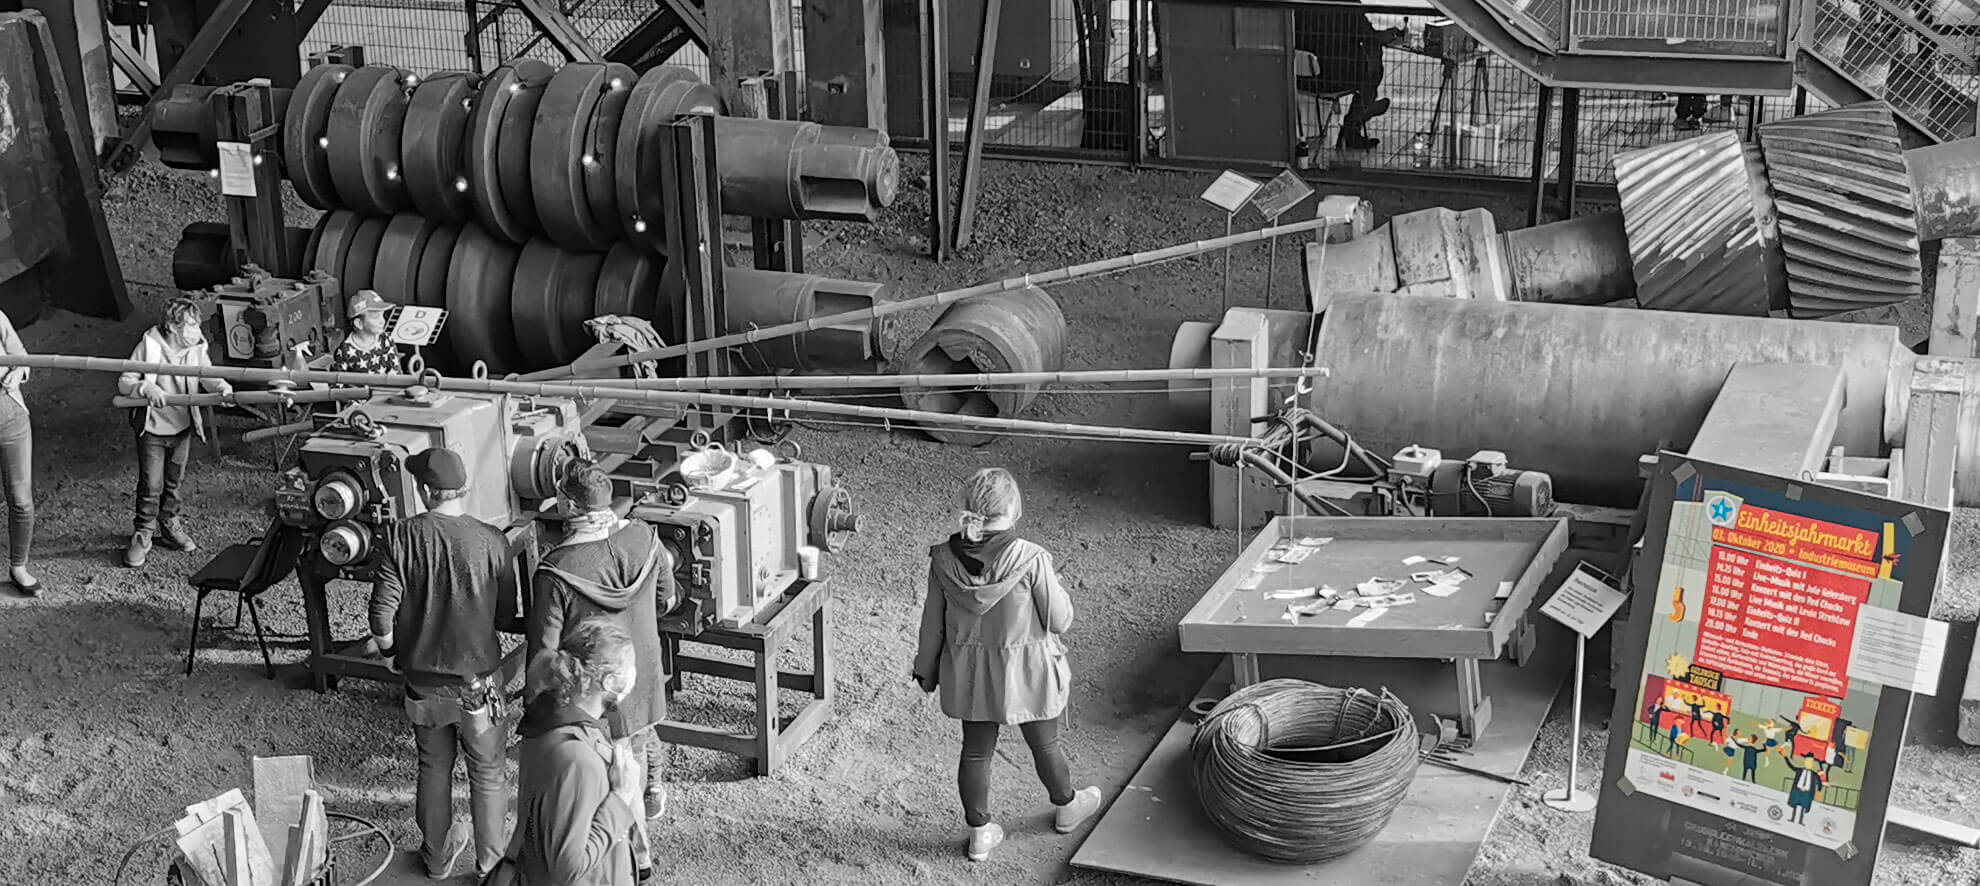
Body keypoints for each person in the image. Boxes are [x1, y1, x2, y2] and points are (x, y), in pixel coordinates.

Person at [912, 468, 1101, 862]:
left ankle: (979, 832)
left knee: (975, 752)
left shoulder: (943, 559)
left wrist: (926, 669)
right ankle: (1067, 805)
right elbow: (1059, 620)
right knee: (1044, 742)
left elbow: (932, 621)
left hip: (970, 671)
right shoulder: (1030, 557)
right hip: (1026, 669)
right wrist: (1057, 585)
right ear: (1013, 508)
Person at [370, 447, 514, 879]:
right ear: (461, 488)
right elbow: (505, 615)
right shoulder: (492, 540)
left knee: (433, 767)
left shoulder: (401, 536)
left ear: (425, 490)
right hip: (480, 684)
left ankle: (435, 859)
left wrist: (391, 652)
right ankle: (489, 868)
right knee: (487, 773)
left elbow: (380, 614)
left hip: (424, 685)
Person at [527, 458, 671, 876]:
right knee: (635, 754)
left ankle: (633, 861)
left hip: (593, 696)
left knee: (608, 782)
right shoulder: (645, 537)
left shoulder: (557, 570)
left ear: (569, 507)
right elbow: (668, 598)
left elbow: (543, 655)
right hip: (639, 677)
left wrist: (535, 713)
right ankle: (649, 811)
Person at [510, 618, 644, 886]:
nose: (633, 673)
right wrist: (621, 797)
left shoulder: (546, 716)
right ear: (608, 681)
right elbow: (568, 869)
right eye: (629, 666)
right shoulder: (577, 759)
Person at [116, 297, 233, 569]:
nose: (196, 331)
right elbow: (125, 382)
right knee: (151, 484)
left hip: (181, 428)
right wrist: (146, 389)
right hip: (153, 430)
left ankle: (169, 523)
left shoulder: (196, 349)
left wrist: (222, 387)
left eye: (196, 324)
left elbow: (207, 374)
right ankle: (143, 532)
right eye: (189, 325)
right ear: (171, 325)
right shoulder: (149, 346)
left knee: (173, 481)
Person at [1293, 0, 1400, 150]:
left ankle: (1363, 112)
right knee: (1372, 70)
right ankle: (1356, 121)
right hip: (1339, 78)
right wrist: (1389, 35)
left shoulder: (1296, 5)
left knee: (1368, 63)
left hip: (1302, 79)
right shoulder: (1347, 5)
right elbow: (1369, 37)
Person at [0, 309, 38, 596]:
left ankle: (19, 567)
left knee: (21, 500)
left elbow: (22, 357)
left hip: (12, 418)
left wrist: (17, 373)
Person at [330, 289, 405, 376]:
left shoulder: (386, 340)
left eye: (383, 315)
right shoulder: (345, 350)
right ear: (359, 323)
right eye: (376, 317)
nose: (382, 321)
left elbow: (396, 372)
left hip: (386, 389)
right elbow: (337, 382)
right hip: (358, 390)